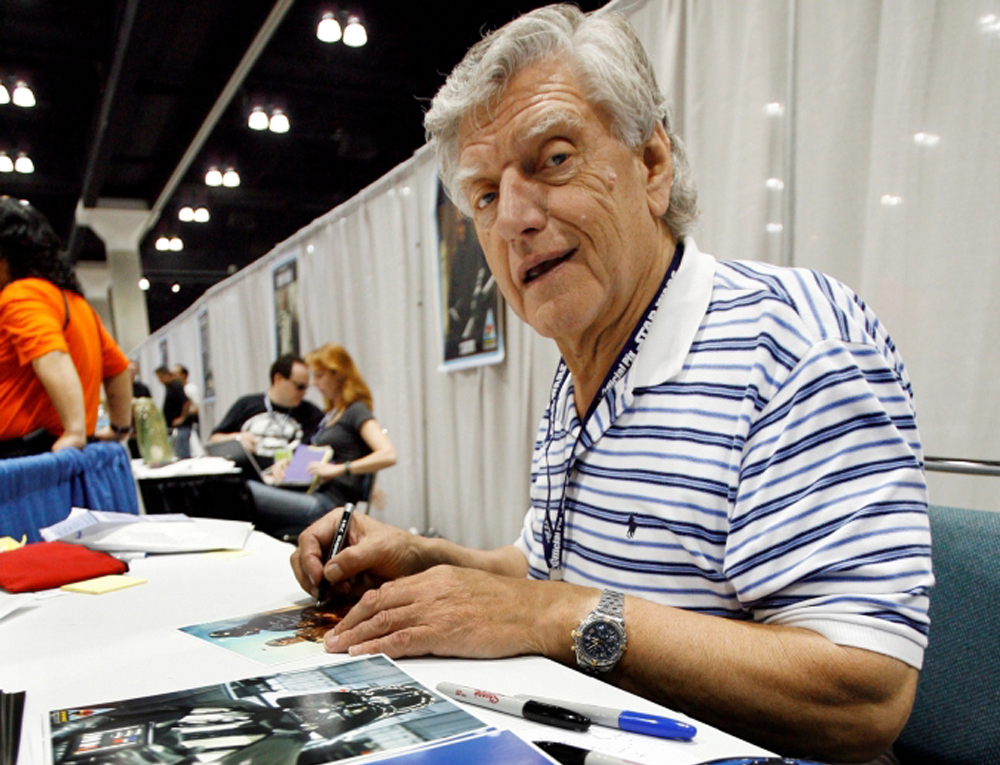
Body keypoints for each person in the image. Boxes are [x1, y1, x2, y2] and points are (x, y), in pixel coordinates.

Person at [290, 6, 933, 764]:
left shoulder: (795, 343)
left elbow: (864, 695)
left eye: (553, 159)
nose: (515, 220)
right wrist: (419, 555)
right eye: (486, 195)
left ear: (652, 164)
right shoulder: (579, 374)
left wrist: (548, 614)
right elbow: (546, 573)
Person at [0, 196, 133, 458]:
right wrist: (119, 427)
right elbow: (119, 370)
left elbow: (51, 356)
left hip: (26, 459)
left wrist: (74, 431)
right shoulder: (75, 304)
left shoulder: (20, 295)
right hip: (50, 455)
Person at [250, 344, 397, 538]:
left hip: (328, 504)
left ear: (338, 375)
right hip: (314, 496)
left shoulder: (356, 411)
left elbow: (388, 454)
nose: (314, 383)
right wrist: (289, 465)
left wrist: (340, 469)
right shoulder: (331, 416)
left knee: (244, 490)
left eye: (320, 376)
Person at [208, 353, 324, 466]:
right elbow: (213, 440)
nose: (303, 393)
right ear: (278, 379)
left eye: (306, 387)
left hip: (289, 477)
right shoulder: (246, 405)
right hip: (250, 477)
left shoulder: (311, 413)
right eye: (299, 387)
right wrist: (237, 439)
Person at [155, 365, 192, 458]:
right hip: (173, 427)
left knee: (181, 454)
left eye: (160, 377)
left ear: (166, 375)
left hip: (180, 427)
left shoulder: (175, 386)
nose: (160, 381)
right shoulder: (169, 387)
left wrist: (182, 418)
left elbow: (186, 402)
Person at [173, 363, 201, 449]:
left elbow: (196, 407)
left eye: (176, 374)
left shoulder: (190, 388)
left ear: (184, 375)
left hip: (189, 427)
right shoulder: (177, 390)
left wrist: (182, 416)